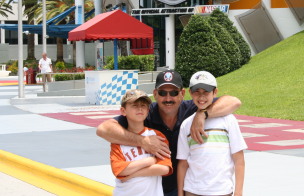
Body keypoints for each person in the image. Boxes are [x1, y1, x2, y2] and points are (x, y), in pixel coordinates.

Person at [97, 70, 241, 196]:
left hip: (185, 187)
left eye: (173, 93)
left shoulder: (192, 109)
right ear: (155, 94)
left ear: (182, 93)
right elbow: (103, 129)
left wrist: (202, 114)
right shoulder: (145, 112)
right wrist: (142, 141)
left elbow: (234, 101)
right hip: (150, 189)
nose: (168, 98)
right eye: (162, 93)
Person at [177, 71, 246, 196]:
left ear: (215, 92)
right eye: (197, 92)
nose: (201, 96)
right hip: (192, 190)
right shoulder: (186, 125)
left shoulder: (228, 120)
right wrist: (180, 193)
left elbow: (239, 159)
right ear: (190, 93)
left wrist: (238, 192)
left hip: (222, 191)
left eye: (206, 92)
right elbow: (183, 163)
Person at [111, 89, 173, 196]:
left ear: (148, 110)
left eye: (143, 105)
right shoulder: (119, 139)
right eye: (134, 105)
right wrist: (150, 160)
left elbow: (164, 168)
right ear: (123, 111)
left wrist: (131, 174)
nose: (140, 108)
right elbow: (119, 170)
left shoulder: (157, 136)